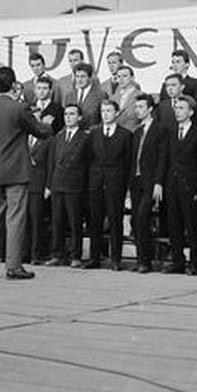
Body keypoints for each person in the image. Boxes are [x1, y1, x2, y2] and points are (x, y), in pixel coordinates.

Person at [0, 65, 54, 280]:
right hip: (16, 171)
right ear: (13, 84)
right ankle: (13, 266)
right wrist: (47, 124)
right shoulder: (19, 108)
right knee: (15, 218)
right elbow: (40, 131)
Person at [84, 100, 132, 270]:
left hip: (115, 183)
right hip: (96, 182)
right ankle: (94, 258)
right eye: (103, 111)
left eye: (109, 110)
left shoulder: (126, 135)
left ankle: (115, 259)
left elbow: (128, 163)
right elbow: (89, 160)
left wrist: (126, 187)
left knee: (115, 221)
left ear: (117, 113)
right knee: (95, 221)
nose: (105, 114)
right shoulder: (94, 134)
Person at [159, 95, 197, 275]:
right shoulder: (169, 131)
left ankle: (195, 262)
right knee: (174, 225)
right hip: (172, 184)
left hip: (190, 185)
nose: (177, 111)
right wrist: (160, 182)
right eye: (176, 108)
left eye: (182, 108)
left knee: (192, 226)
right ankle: (178, 261)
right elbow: (164, 159)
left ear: (191, 112)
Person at [44, 104, 89, 268]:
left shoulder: (85, 137)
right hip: (57, 183)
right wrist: (49, 184)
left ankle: (76, 255)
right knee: (57, 221)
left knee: (75, 222)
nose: (68, 117)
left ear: (79, 117)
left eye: (72, 114)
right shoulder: (58, 137)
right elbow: (51, 163)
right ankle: (57, 254)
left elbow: (88, 163)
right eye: (66, 114)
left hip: (75, 184)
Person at [129, 94, 164, 273]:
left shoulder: (159, 129)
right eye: (136, 107)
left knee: (143, 217)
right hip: (136, 181)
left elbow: (162, 157)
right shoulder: (137, 131)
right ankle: (140, 258)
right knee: (136, 220)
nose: (138, 110)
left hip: (150, 180)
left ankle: (146, 260)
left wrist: (158, 182)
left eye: (141, 107)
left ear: (150, 109)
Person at [24, 105, 53, 265]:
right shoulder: (21, 137)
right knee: (23, 220)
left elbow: (50, 164)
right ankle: (23, 252)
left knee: (36, 220)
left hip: (38, 184)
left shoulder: (47, 139)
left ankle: (36, 254)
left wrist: (48, 186)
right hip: (22, 183)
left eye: (37, 118)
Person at [66, 62, 104, 128]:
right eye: (77, 76)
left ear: (90, 77)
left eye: (83, 76)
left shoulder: (100, 95)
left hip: (92, 135)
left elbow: (104, 120)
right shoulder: (69, 96)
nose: (79, 80)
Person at [112, 65, 141, 132]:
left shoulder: (140, 96)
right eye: (119, 76)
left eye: (125, 76)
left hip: (132, 135)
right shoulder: (113, 98)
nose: (121, 79)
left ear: (132, 78)